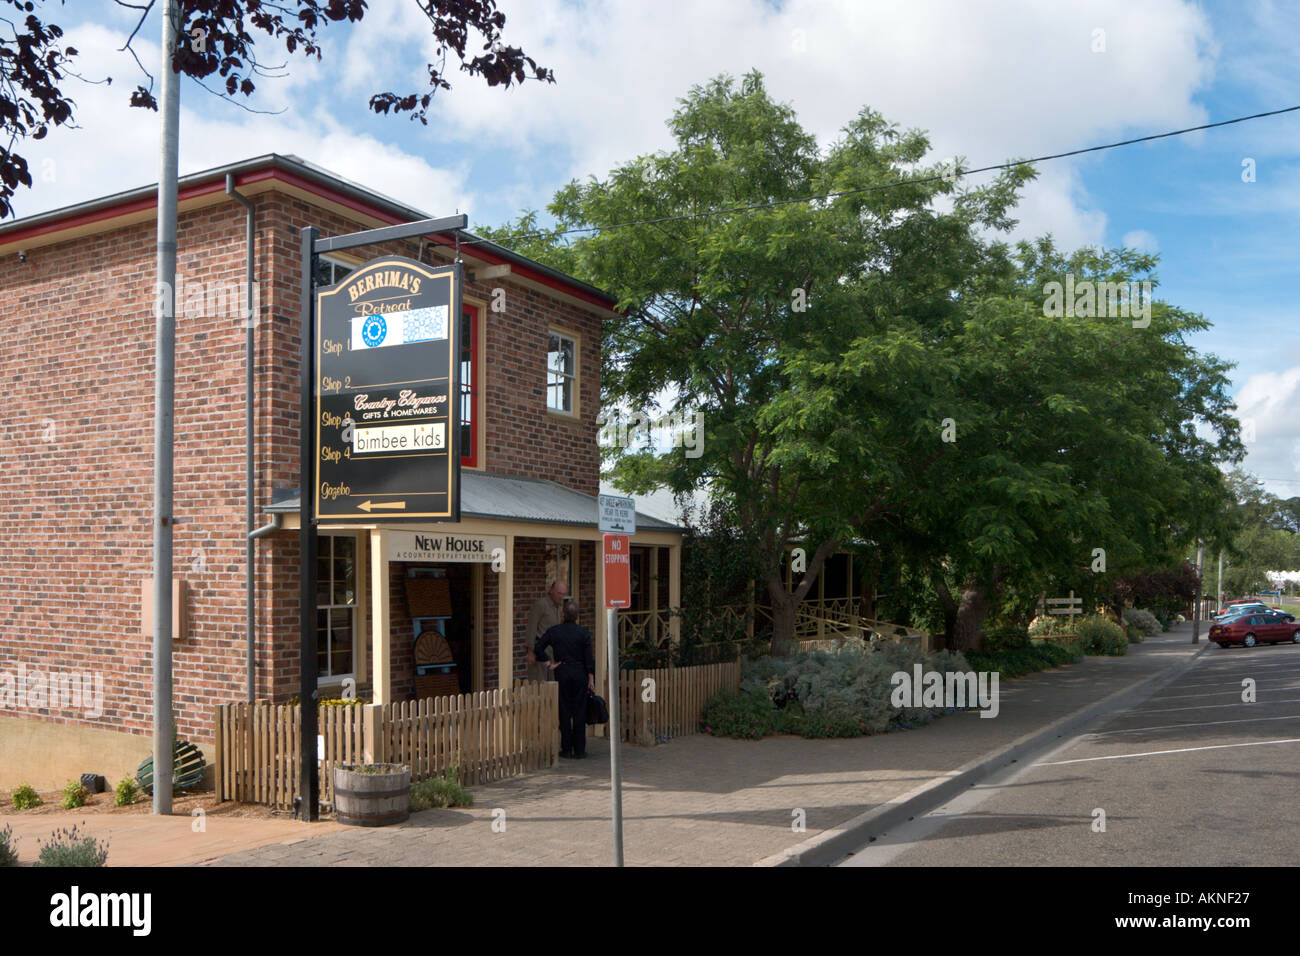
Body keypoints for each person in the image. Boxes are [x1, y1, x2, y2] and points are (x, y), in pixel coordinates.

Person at [535, 600, 595, 759]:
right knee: (579, 711)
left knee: (564, 710)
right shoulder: (583, 633)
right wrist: (591, 676)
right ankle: (580, 750)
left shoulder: (555, 631)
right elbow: (589, 658)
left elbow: (538, 647)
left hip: (562, 671)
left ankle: (566, 749)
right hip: (580, 672)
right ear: (577, 616)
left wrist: (549, 664)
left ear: (563, 614)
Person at [525, 580, 567, 683]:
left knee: (551, 684)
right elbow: (531, 627)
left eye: (563, 594)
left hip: (553, 651)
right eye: (559, 593)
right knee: (539, 683)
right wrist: (530, 651)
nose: (561, 597)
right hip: (540, 649)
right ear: (551, 590)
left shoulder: (558, 608)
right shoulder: (541, 604)